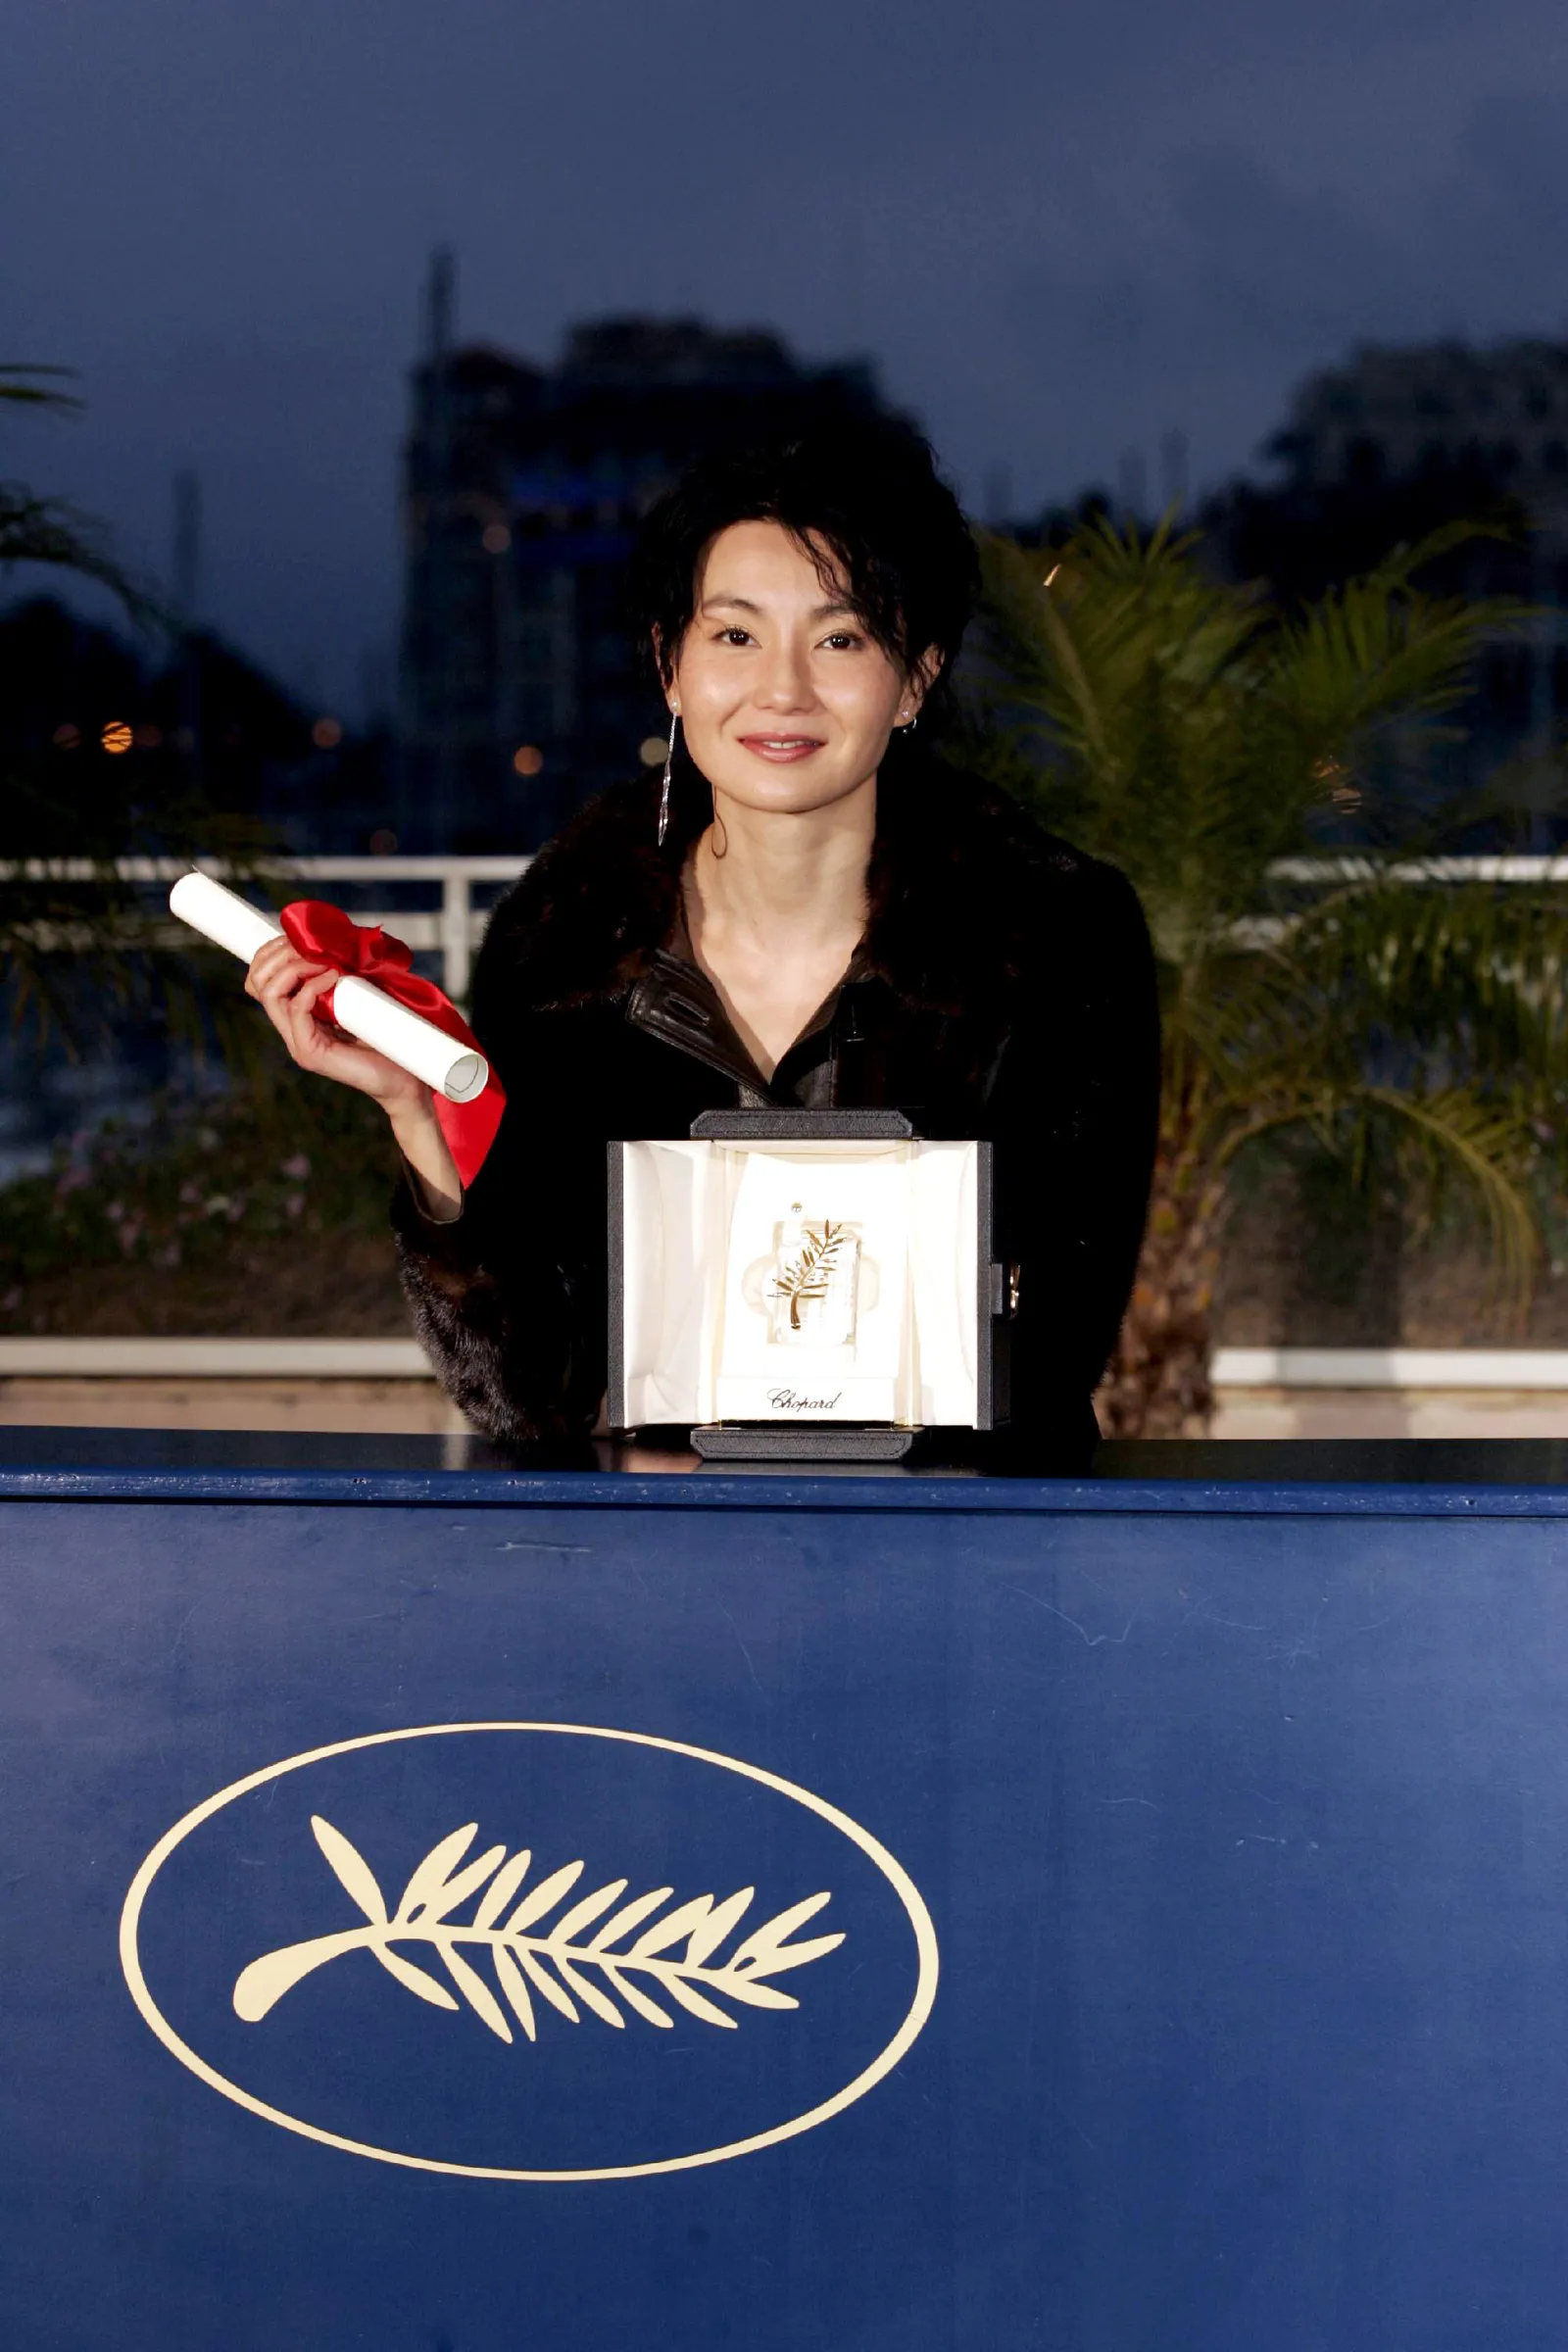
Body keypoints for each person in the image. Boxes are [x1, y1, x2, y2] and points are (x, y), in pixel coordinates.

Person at [245, 420, 1159, 1461]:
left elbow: (1056, 1350)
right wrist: (418, 1114)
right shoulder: (564, 950)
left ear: (915, 679)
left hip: (953, 1532)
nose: (783, 689)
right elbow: (525, 1393)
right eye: (734, 637)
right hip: (659, 1535)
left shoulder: (1051, 941)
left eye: (841, 639)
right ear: (669, 667)